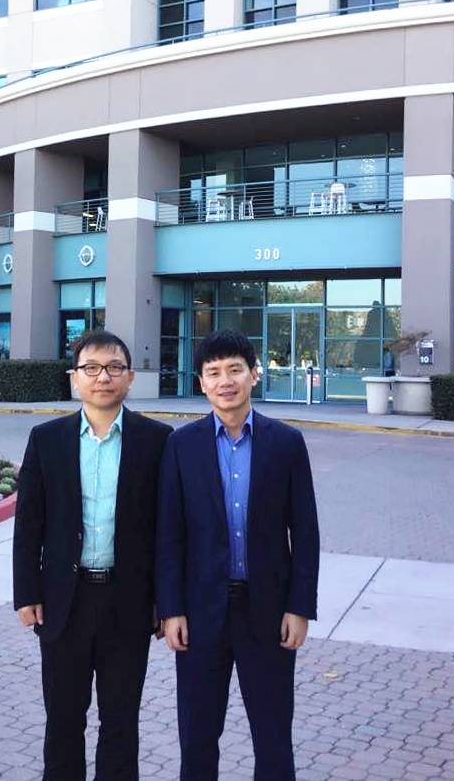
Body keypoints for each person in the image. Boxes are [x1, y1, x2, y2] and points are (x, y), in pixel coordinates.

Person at [156, 329, 321, 781]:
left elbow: (305, 532)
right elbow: (169, 535)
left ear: (254, 375)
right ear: (201, 382)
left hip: (267, 613)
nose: (225, 381)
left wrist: (299, 607)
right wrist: (171, 610)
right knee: (197, 737)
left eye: (235, 370)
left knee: (273, 737)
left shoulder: (285, 443)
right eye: (214, 372)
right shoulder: (181, 445)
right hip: (200, 615)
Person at [13, 329, 173, 781]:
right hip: (64, 602)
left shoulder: (157, 440)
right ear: (75, 377)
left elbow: (167, 530)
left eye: (114, 367)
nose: (103, 377)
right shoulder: (47, 439)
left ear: (130, 377)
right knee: (63, 720)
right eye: (91, 368)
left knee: (121, 722)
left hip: (128, 603)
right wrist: (26, 593)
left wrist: (166, 602)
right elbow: (29, 524)